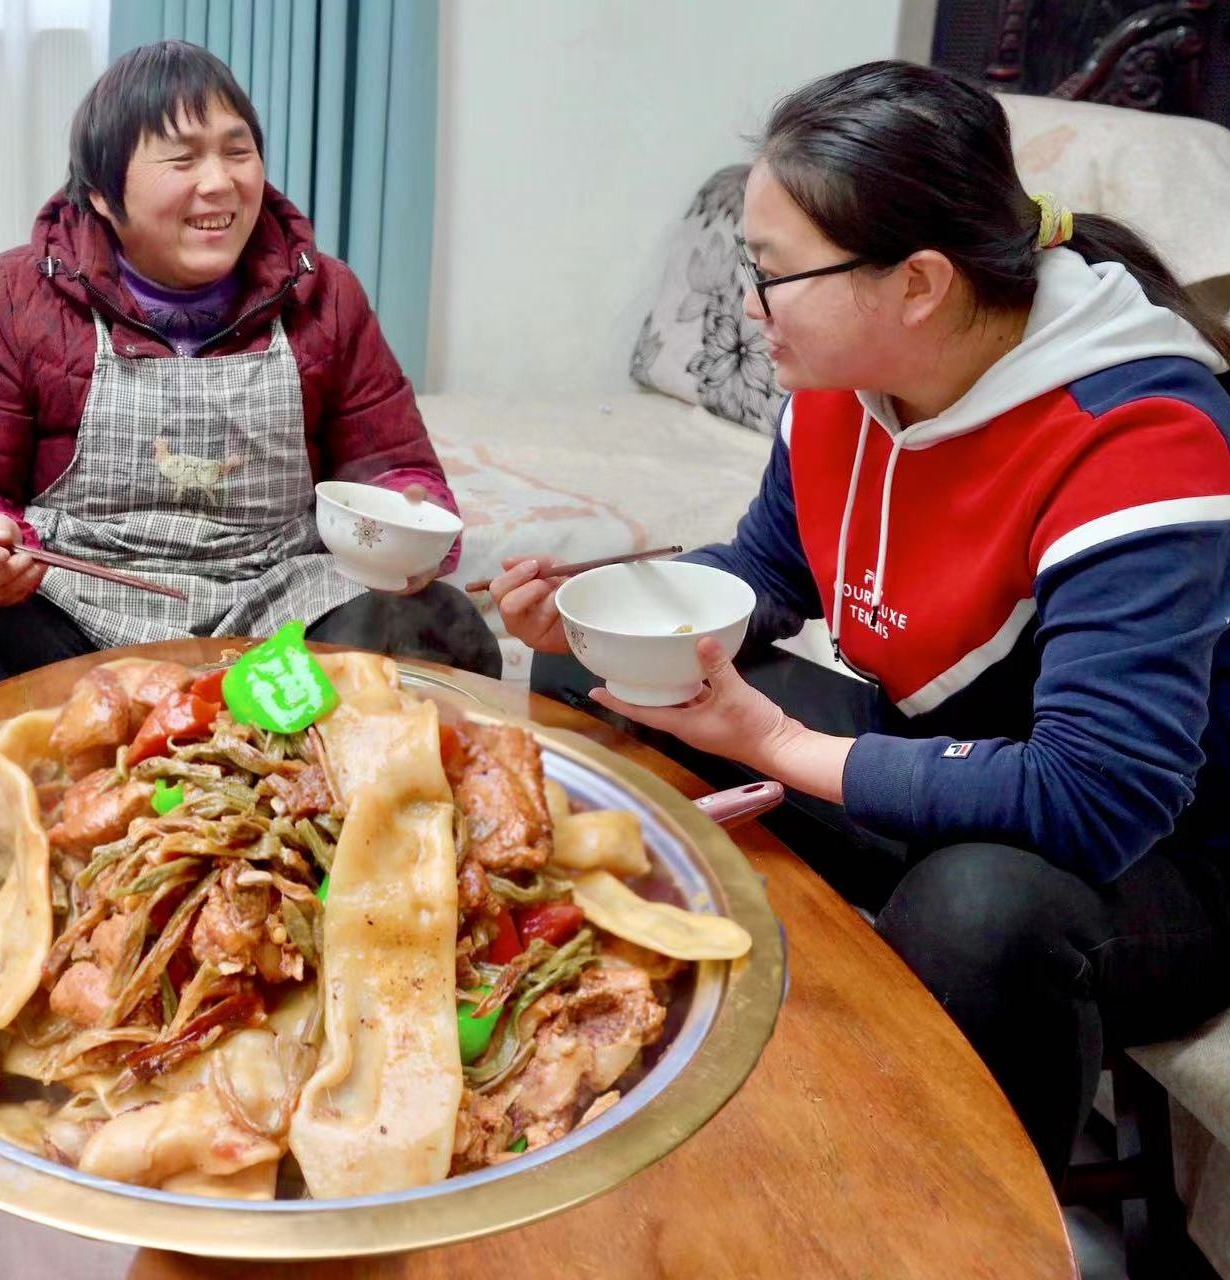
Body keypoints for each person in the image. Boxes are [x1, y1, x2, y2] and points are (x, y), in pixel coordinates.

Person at [498, 60, 1230, 1183]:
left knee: (974, 908)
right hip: (950, 766)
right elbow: (763, 571)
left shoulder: (1136, 436)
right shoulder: (845, 382)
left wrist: (786, 749)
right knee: (597, 683)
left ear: (919, 283)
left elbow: (1096, 792)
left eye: (775, 270)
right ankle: (646, 1023)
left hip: (1153, 853)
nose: (749, 301)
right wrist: (594, 618)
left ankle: (964, 1225)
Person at [0, 40, 498, 753]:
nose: (221, 184)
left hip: (280, 610)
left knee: (438, 632)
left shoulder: (328, 295)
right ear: (102, 194)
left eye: (237, 151)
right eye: (182, 158)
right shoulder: (19, 295)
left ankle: (363, 851)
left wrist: (412, 531)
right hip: (78, 608)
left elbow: (402, 476)